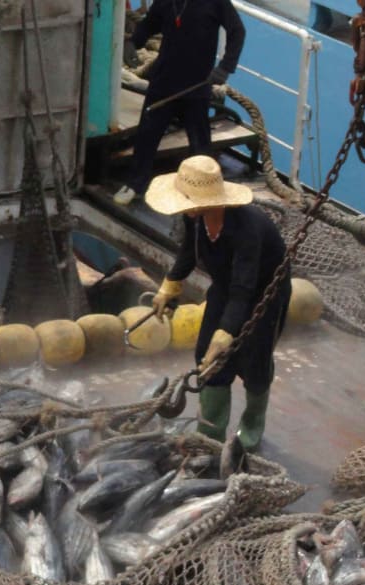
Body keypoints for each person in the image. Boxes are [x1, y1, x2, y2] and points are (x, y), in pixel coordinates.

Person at [145, 155, 290, 450]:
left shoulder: (247, 229)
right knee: (207, 359)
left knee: (255, 362)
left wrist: (226, 333)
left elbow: (245, 289)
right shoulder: (195, 217)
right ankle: (209, 436)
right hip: (226, 288)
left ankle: (250, 430)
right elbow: (189, 250)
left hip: (264, 295)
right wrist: (170, 285)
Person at [114, 0, 245, 206]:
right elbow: (151, 23)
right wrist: (133, 42)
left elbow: (237, 31)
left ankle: (203, 189)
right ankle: (135, 184)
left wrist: (225, 67)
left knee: (199, 141)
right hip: (163, 81)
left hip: (197, 85)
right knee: (147, 135)